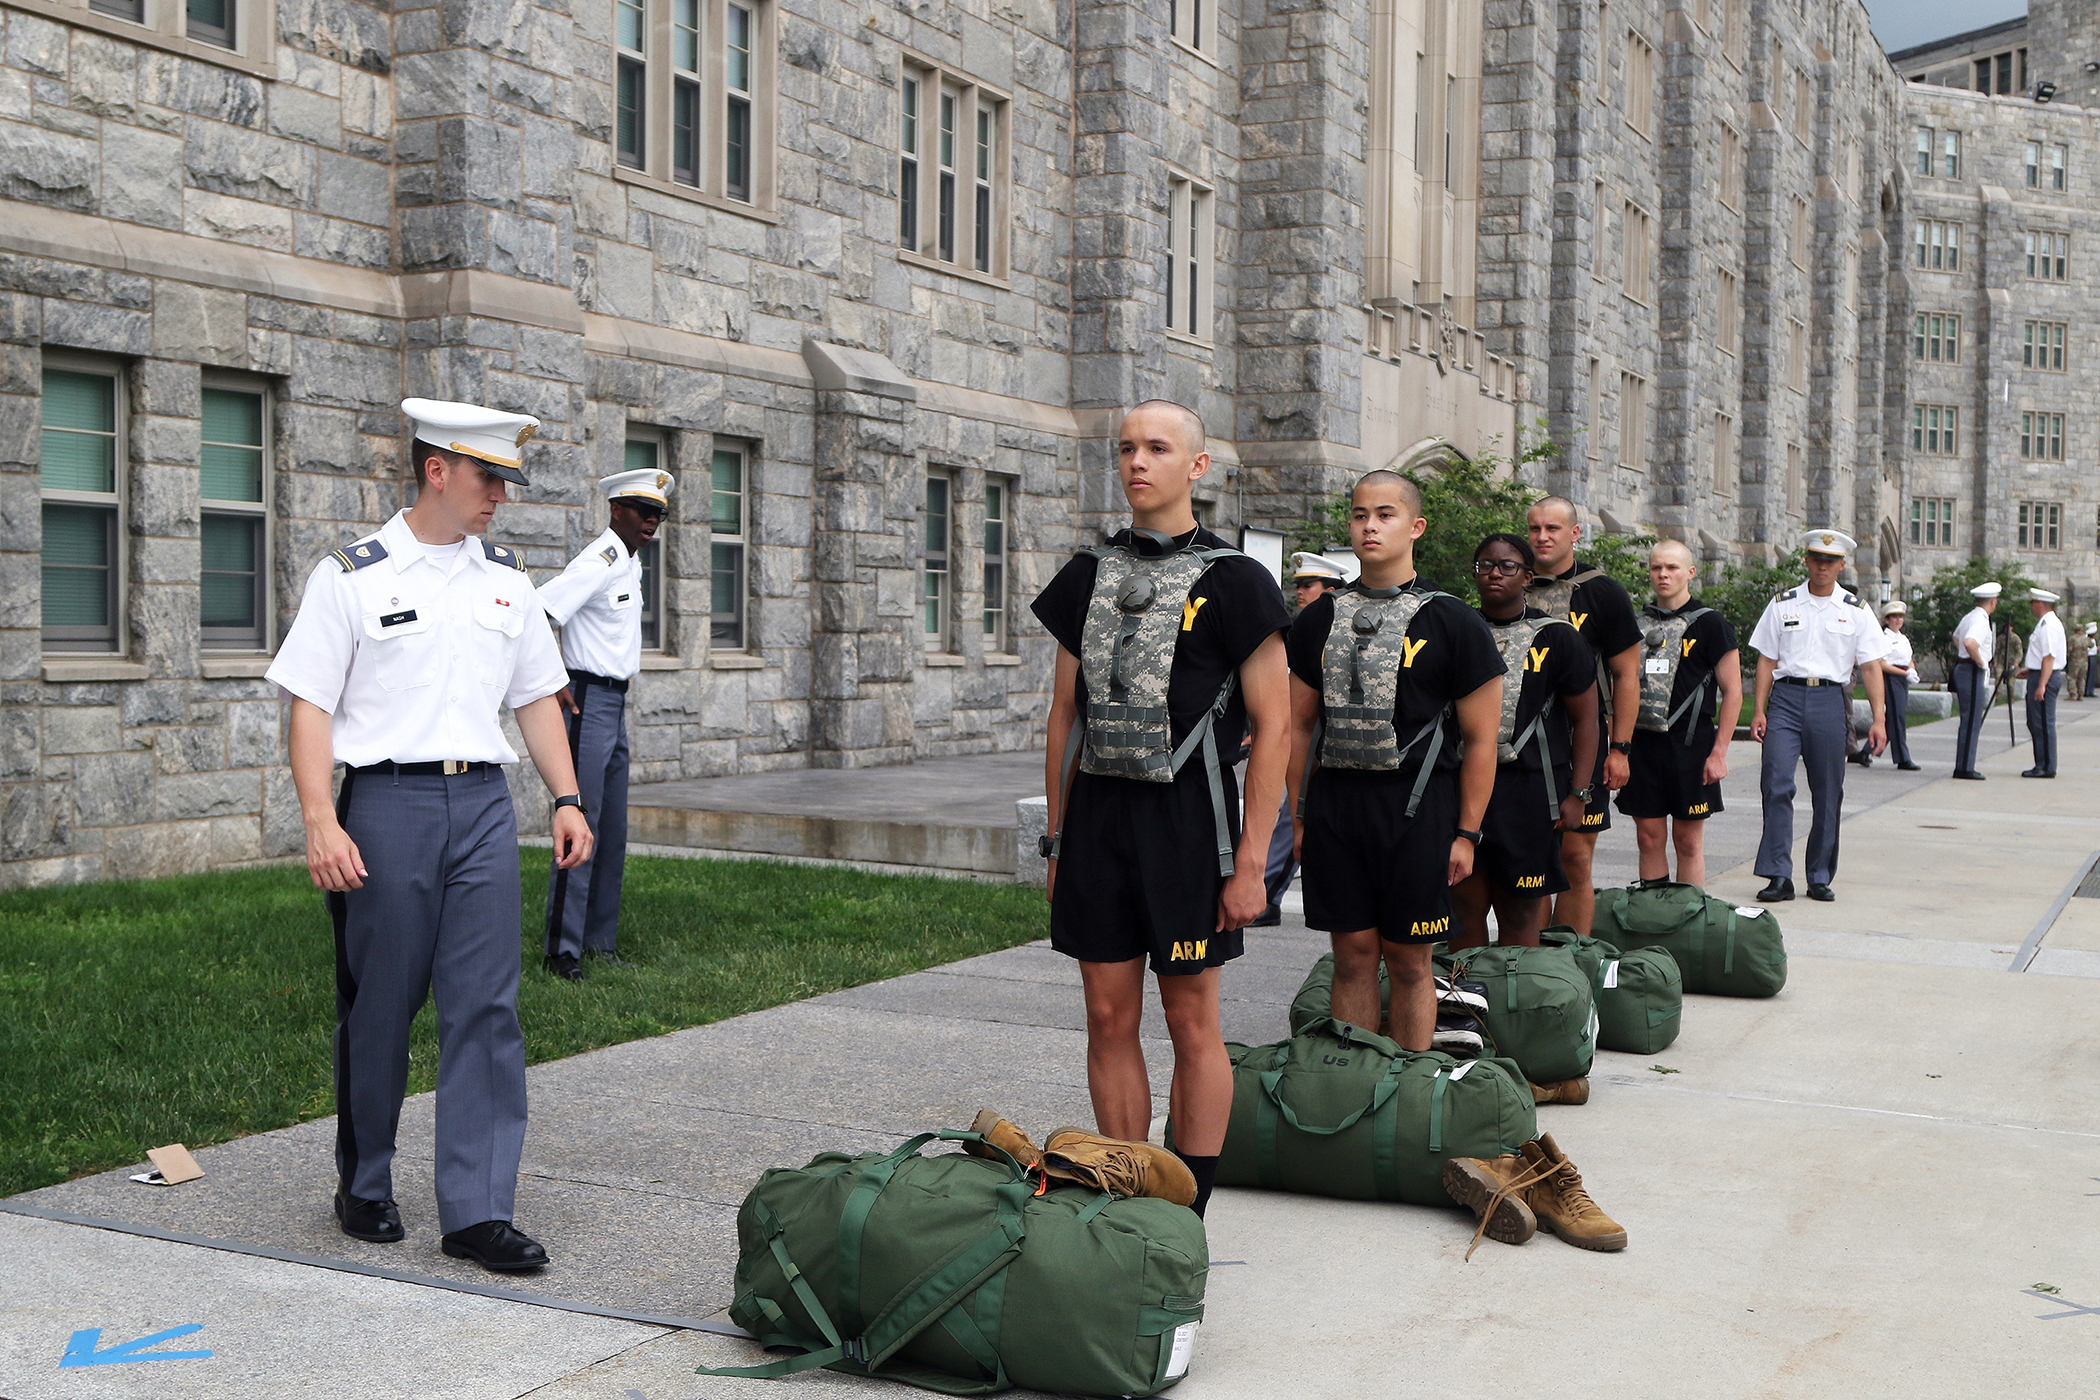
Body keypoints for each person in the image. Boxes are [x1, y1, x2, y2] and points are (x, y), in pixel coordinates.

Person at [267, 399, 593, 1272]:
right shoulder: (352, 576)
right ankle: (365, 1181)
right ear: (437, 470)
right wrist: (319, 819)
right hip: (387, 806)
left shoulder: (506, 577)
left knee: (487, 1010)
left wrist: (565, 796)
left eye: (506, 481)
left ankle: (478, 1212)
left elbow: (534, 695)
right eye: (489, 477)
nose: (501, 496)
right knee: (381, 1005)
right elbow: (311, 704)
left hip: (483, 806)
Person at [1032, 400, 1291, 1218]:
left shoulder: (1237, 582)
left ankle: (1188, 1209)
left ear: (1197, 467)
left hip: (1190, 827)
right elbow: (1063, 718)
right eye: (1126, 449)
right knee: (1108, 1014)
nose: (1137, 462)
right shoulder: (1088, 573)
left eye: (1156, 448)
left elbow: (1276, 725)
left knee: (1190, 1019)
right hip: (1101, 824)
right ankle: (1128, 1191)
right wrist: (1057, 841)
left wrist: (1252, 861)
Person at [1286, 472, 1504, 1057]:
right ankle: (1355, 1078)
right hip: (1337, 809)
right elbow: (1299, 725)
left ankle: (1410, 1083)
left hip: (1418, 811)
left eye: (1384, 515)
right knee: (1353, 954)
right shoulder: (1319, 619)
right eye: (1360, 515)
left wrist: (1466, 833)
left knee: (1409, 960)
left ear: (1416, 527)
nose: (1369, 526)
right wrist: (1299, 817)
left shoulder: (1453, 621)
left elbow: (1482, 740)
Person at [1448, 534, 1599, 1105]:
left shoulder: (1556, 637)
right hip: (1465, 794)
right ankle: (1467, 1044)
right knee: (1464, 918)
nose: (1494, 575)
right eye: (1485, 564)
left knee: (1520, 924)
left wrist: (1578, 792)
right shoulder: (1456, 628)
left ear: (1528, 577)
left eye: (1507, 566)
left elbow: (1587, 719)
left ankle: (1525, 1047)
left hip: (1530, 794)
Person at [534, 467, 672, 980]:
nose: (652, 521)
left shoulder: (630, 563)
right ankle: (561, 950)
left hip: (615, 704)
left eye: (659, 513)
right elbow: (539, 611)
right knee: (580, 825)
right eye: (644, 512)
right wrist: (553, 678)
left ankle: (598, 940)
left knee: (611, 828)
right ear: (617, 510)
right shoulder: (600, 559)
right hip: (587, 701)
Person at [1747, 529, 1887, 903]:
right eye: (1816, 559)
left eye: (1830, 561)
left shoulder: (1856, 611)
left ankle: (1819, 874)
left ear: (1841, 565)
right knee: (1776, 783)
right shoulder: (1783, 603)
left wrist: (1879, 719)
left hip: (1829, 701)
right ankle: (1778, 873)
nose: (1822, 566)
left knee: (1828, 792)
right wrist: (1759, 709)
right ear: (1806, 561)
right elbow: (1766, 660)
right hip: (1786, 699)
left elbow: (1871, 667)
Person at [1524, 497, 1643, 937]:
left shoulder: (1603, 592)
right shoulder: (1513, 583)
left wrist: (1621, 750)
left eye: (1553, 528)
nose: (1542, 537)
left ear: (1574, 533)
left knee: (1574, 857)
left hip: (1585, 741)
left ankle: (1569, 961)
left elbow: (1627, 674)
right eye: (1535, 528)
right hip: (1523, 745)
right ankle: (1531, 964)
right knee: (1532, 863)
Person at [1616, 540, 1742, 888]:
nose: (1663, 574)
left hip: (1691, 747)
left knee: (1687, 842)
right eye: (1656, 567)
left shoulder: (1711, 624)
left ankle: (1687, 918)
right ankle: (1656, 913)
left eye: (1671, 567)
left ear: (1690, 572)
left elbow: (1733, 692)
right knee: (1648, 838)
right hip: (1641, 745)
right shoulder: (1634, 624)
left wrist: (1719, 753)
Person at [1251, 552, 1353, 927]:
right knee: (1291, 814)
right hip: (1292, 734)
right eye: (1297, 585)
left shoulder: (1338, 623)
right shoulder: (1303, 625)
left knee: (1292, 815)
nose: (1299, 592)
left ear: (1330, 590)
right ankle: (1267, 893)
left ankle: (1267, 894)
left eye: (1307, 585)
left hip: (1325, 738)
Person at [1950, 582, 2000, 780]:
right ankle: (1965, 767)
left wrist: (1964, 654)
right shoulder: (1980, 620)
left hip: (1964, 667)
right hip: (1971, 669)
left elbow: (1957, 637)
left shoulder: (1969, 616)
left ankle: (1963, 764)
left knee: (1969, 719)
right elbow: (1969, 642)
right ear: (1993, 601)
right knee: (1972, 720)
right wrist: (1981, 661)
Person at [2018, 589, 2068, 778]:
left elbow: (2048, 657)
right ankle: (2042, 763)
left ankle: (2045, 766)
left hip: (2045, 676)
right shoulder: (2045, 623)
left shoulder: (2048, 625)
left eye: (2033, 602)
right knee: (2036, 722)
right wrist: (2031, 670)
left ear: (2040, 604)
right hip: (2039, 674)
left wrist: (2042, 685)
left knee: (2043, 723)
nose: (2031, 606)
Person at [1877, 601, 1922, 771]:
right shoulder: (1884, 638)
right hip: (1892, 677)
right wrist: (1904, 673)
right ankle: (1902, 758)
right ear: (1887, 620)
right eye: (1894, 617)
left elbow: (1908, 658)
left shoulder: (1903, 639)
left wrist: (1911, 670)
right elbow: (1882, 663)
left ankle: (1868, 751)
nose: (1898, 620)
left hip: (1903, 677)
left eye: (1900, 617)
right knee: (1898, 718)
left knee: (1894, 718)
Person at [2066, 617, 2088, 704]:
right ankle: (2081, 694)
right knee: (2082, 678)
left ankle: (2073, 694)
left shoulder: (2072, 638)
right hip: (2084, 662)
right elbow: (2091, 645)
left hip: (2074, 661)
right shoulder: (2086, 639)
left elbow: (2069, 649)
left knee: (2072, 677)